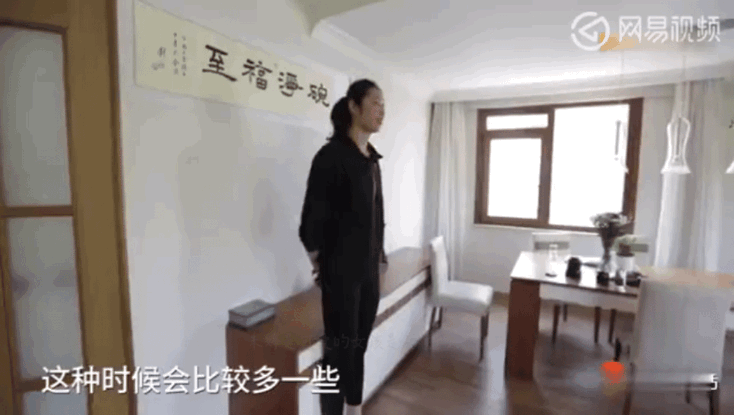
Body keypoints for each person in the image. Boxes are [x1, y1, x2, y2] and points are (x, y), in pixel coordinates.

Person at [299, 79, 388, 415]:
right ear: (353, 106)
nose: (381, 111)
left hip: (369, 275)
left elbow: (375, 219)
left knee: (357, 348)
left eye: (384, 105)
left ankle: (354, 409)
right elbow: (310, 225)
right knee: (338, 354)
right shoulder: (331, 156)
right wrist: (323, 265)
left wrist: (377, 261)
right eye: (376, 103)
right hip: (341, 278)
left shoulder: (371, 160)